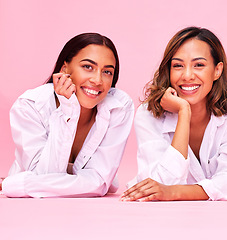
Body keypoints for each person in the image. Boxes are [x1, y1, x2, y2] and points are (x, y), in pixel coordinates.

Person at [121, 27, 227, 201]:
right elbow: (158, 184)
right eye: (178, 66)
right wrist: (184, 112)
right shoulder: (147, 114)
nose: (187, 75)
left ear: (217, 70)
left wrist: (173, 192)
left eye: (199, 65)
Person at [0, 33, 134, 197]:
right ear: (65, 69)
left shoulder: (118, 106)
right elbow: (45, 174)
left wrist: (16, 185)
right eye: (88, 67)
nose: (98, 80)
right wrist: (68, 109)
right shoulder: (30, 106)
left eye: (107, 72)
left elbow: (99, 183)